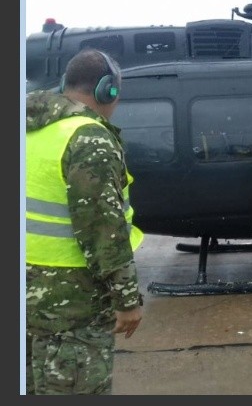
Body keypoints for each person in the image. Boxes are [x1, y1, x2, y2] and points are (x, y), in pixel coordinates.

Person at [25, 49, 144, 394]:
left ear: (65, 83)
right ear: (108, 90)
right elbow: (103, 230)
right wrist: (127, 300)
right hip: (73, 305)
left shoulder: (30, 129)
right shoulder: (87, 137)